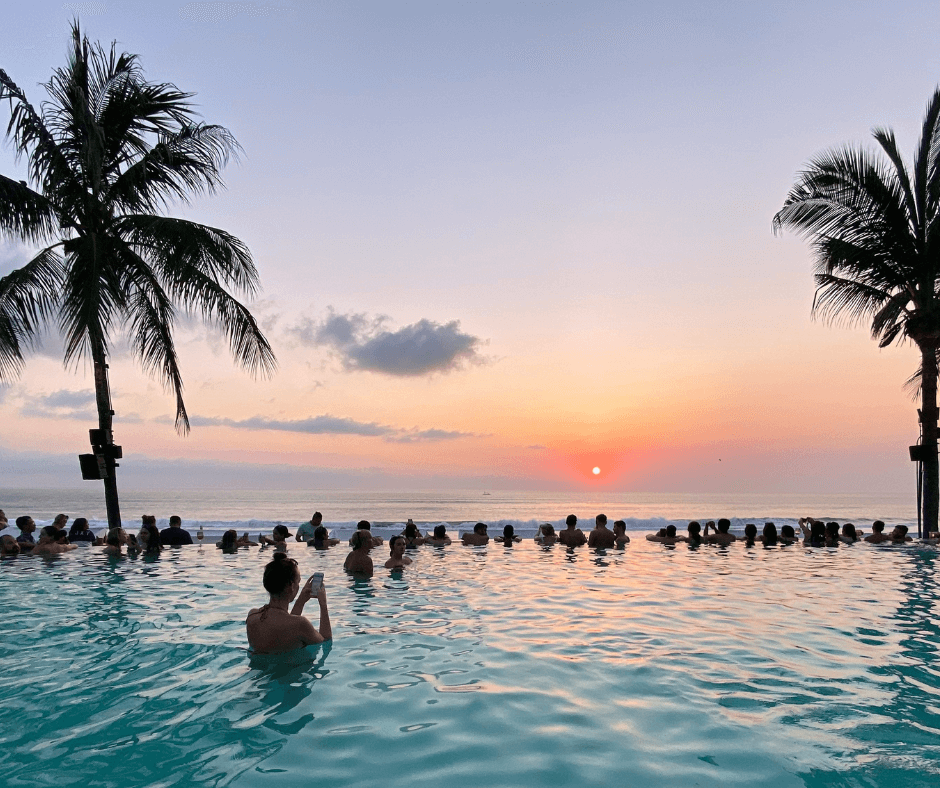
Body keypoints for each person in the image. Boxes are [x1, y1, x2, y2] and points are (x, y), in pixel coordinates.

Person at [246, 552, 332, 653]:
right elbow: (326, 643)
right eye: (298, 582)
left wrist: (301, 600)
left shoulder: (252, 616)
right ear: (291, 586)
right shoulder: (301, 624)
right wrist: (323, 605)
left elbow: (284, 627)